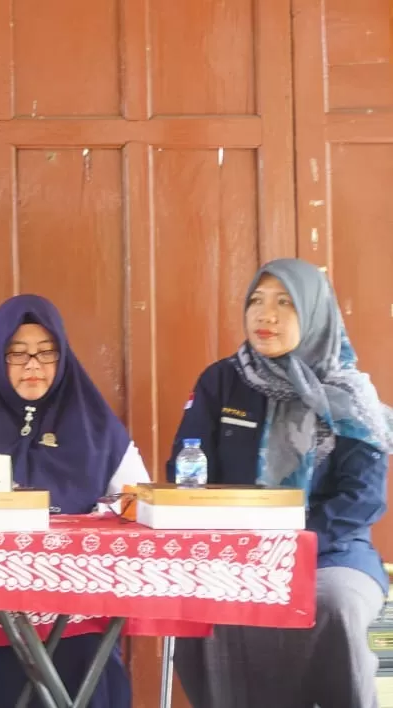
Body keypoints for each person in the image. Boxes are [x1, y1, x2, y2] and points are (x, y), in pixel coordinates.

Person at [166, 258, 393, 708]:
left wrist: (294, 543)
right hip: (236, 549)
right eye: (256, 301)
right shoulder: (223, 380)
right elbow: (187, 470)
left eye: (284, 303)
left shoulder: (349, 395)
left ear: (313, 314)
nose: (265, 315)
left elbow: (363, 498)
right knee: (200, 599)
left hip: (330, 552)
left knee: (336, 605)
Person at [0, 294, 146, 708]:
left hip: (75, 609)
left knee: (85, 657)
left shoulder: (98, 429)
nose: (33, 366)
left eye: (46, 353)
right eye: (17, 354)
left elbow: (136, 503)